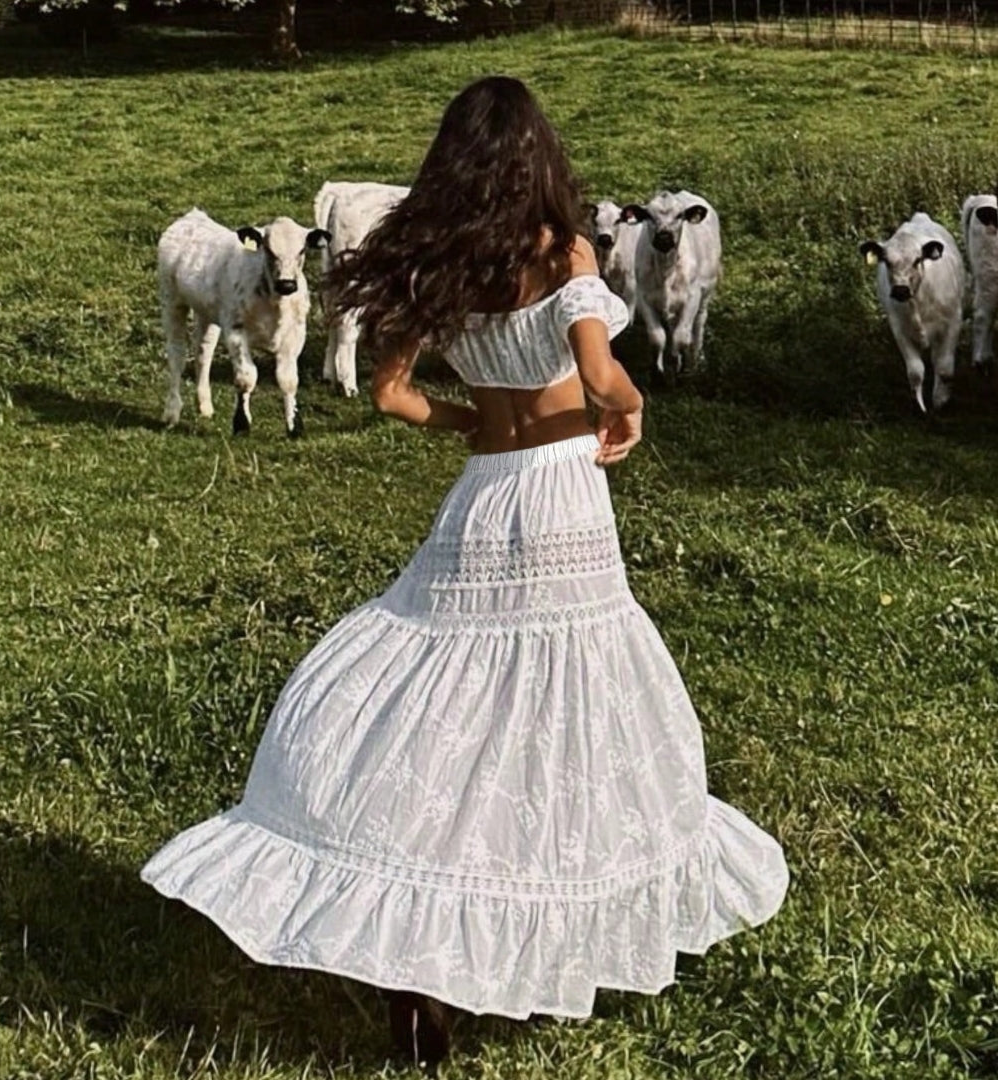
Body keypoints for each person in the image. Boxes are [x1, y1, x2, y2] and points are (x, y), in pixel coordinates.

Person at [141, 75, 789, 1073]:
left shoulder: (439, 265)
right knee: (558, 698)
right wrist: (627, 407)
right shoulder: (562, 251)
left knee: (445, 695)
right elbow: (600, 364)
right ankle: (526, 910)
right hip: (564, 497)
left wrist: (466, 422)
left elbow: (394, 395)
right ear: (540, 163)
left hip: (483, 496)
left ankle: (417, 972)